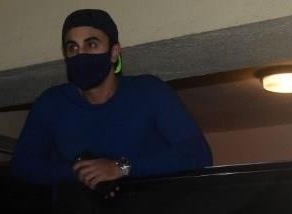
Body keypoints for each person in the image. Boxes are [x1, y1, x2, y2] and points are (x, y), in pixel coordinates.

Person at [11, 9, 212, 189]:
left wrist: (121, 167)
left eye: (91, 44)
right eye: (73, 48)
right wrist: (83, 171)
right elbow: (23, 165)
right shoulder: (51, 104)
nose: (81, 54)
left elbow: (197, 153)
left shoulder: (148, 91)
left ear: (114, 53)